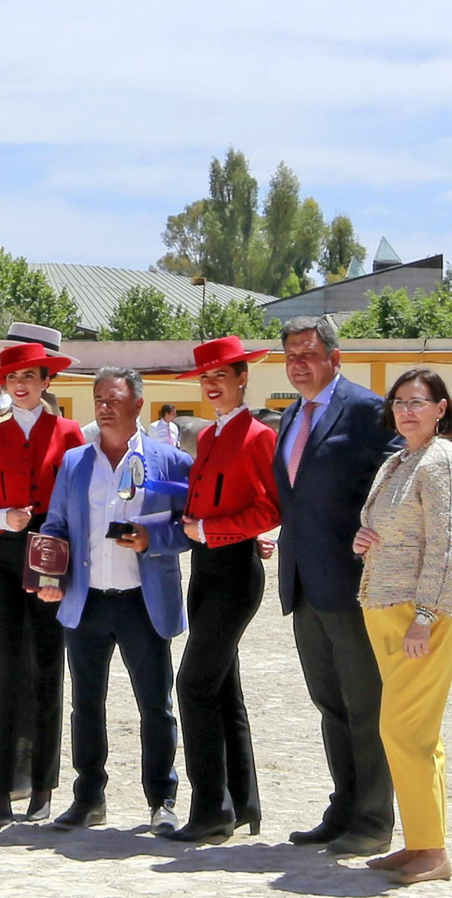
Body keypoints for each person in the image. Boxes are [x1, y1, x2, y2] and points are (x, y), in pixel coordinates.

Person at [38, 367, 192, 833]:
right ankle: (88, 798)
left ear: (138, 404)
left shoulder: (171, 461)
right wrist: (48, 570)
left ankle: (162, 800)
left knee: (156, 707)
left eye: (114, 398)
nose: (104, 407)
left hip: (143, 602)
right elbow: (55, 525)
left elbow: (190, 528)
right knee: (85, 705)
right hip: (86, 602)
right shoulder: (74, 463)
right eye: (98, 398)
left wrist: (153, 538)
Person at [272, 315, 402, 857]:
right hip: (303, 582)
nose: (299, 363)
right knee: (329, 702)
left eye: (309, 352)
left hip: (354, 585)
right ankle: (344, 806)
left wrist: (387, 531)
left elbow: (405, 467)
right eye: (291, 355)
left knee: (366, 703)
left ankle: (373, 818)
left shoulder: (369, 410)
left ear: (334, 356)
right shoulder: (288, 416)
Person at [351, 369, 452, 885]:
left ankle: (431, 850)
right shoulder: (399, 460)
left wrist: (426, 616)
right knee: (415, 730)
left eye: (418, 402)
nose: (407, 410)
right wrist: (364, 538)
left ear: (441, 408)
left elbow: (448, 543)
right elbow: (391, 526)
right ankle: (421, 842)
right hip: (388, 606)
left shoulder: (443, 458)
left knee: (403, 729)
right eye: (400, 402)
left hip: (422, 612)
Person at [0, 337, 85, 825]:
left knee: (48, 667)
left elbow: (80, 500)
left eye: (29, 377)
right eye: (13, 378)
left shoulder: (69, 432)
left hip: (51, 556)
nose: (20, 385)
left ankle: (43, 787)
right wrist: (1, 516)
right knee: (4, 667)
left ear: (45, 383)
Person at [166, 337, 281, 843]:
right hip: (206, 572)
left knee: (192, 685)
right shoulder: (208, 438)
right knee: (222, 688)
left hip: (233, 573)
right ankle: (243, 801)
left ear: (242, 379)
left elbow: (271, 510)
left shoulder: (258, 435)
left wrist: (216, 532)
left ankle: (211, 809)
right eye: (205, 378)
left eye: (222, 376)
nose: (212, 385)